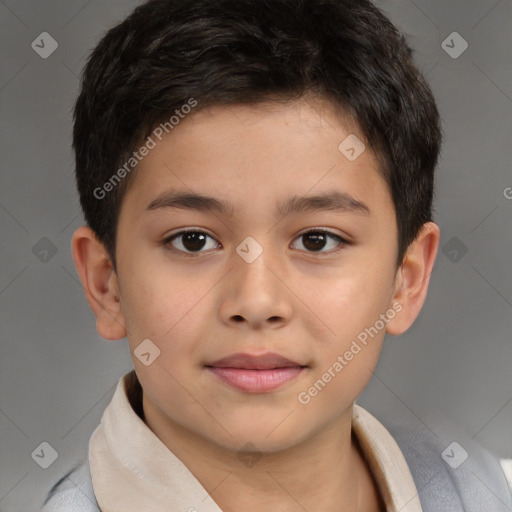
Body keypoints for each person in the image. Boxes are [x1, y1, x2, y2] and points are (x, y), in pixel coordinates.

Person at [42, 0, 512, 510]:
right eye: (193, 240)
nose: (257, 300)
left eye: (317, 240)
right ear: (106, 284)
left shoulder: (482, 488)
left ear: (406, 280)